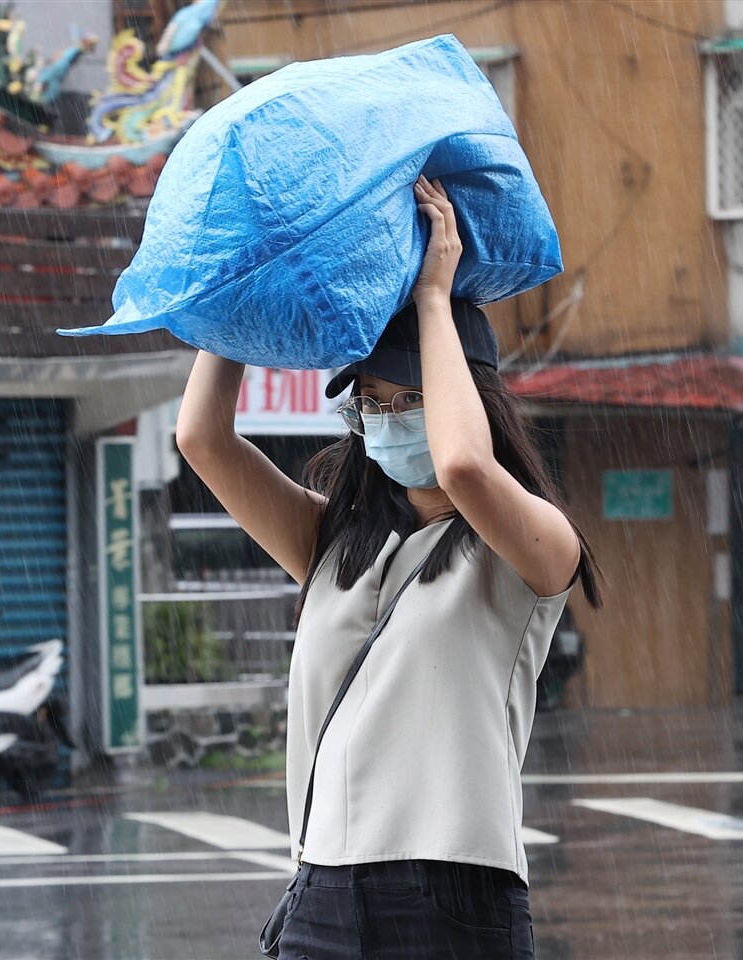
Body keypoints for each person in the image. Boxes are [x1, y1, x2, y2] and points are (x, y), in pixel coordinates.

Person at [176, 177, 599, 960]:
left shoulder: (534, 551)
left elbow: (466, 465)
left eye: (413, 399)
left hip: (452, 894)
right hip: (321, 890)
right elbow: (201, 438)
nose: (389, 419)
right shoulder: (334, 540)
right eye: (372, 401)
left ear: (470, 401)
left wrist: (436, 297)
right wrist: (240, 292)